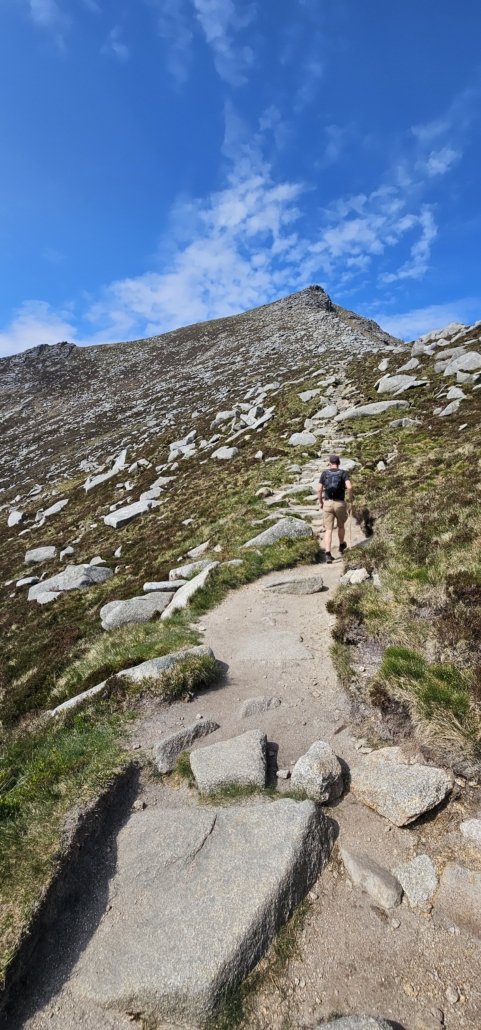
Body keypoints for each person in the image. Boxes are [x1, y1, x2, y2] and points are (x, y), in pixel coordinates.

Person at [317, 454, 354, 564]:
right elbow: (350, 487)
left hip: (328, 503)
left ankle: (328, 554)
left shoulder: (325, 473)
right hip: (340, 503)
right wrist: (351, 497)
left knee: (328, 529)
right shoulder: (343, 473)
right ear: (339, 463)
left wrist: (320, 502)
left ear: (329, 463)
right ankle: (341, 545)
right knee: (341, 526)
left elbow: (319, 489)